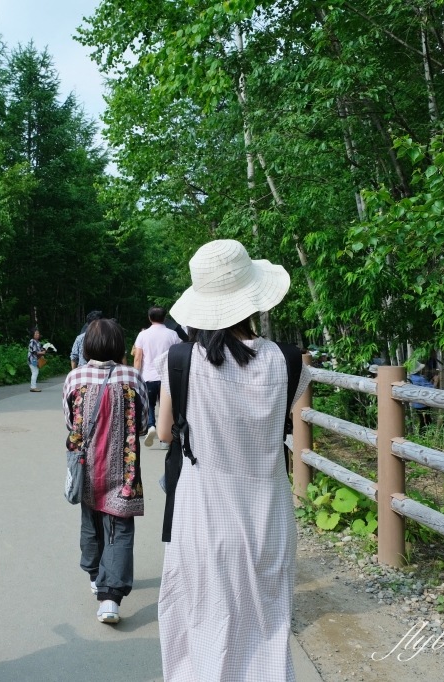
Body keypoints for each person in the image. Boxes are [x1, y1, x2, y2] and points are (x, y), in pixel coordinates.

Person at [155, 239, 311, 682]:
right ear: (252, 298)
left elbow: (164, 433)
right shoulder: (290, 360)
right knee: (267, 626)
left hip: (203, 513)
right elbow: (288, 423)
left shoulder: (180, 360)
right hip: (268, 515)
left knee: (201, 619)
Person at [63, 318, 149, 625]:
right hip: (124, 468)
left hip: (87, 468)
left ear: (87, 346)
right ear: (119, 345)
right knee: (119, 528)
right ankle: (110, 599)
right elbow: (142, 424)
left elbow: (70, 422)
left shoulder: (75, 377)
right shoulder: (132, 377)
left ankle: (94, 574)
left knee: (91, 520)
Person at [132, 306, 182, 449]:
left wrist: (136, 377)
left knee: (150, 405)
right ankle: (165, 440)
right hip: (167, 376)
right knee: (166, 408)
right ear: (164, 318)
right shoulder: (173, 334)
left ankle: (151, 426)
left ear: (149, 318)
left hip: (149, 376)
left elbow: (138, 358)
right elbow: (178, 355)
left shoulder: (143, 335)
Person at [409, 361, 435, 429]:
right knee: (426, 421)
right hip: (423, 404)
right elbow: (432, 388)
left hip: (415, 404)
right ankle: (424, 433)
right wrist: (435, 381)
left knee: (422, 419)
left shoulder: (411, 378)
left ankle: (423, 433)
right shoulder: (420, 379)